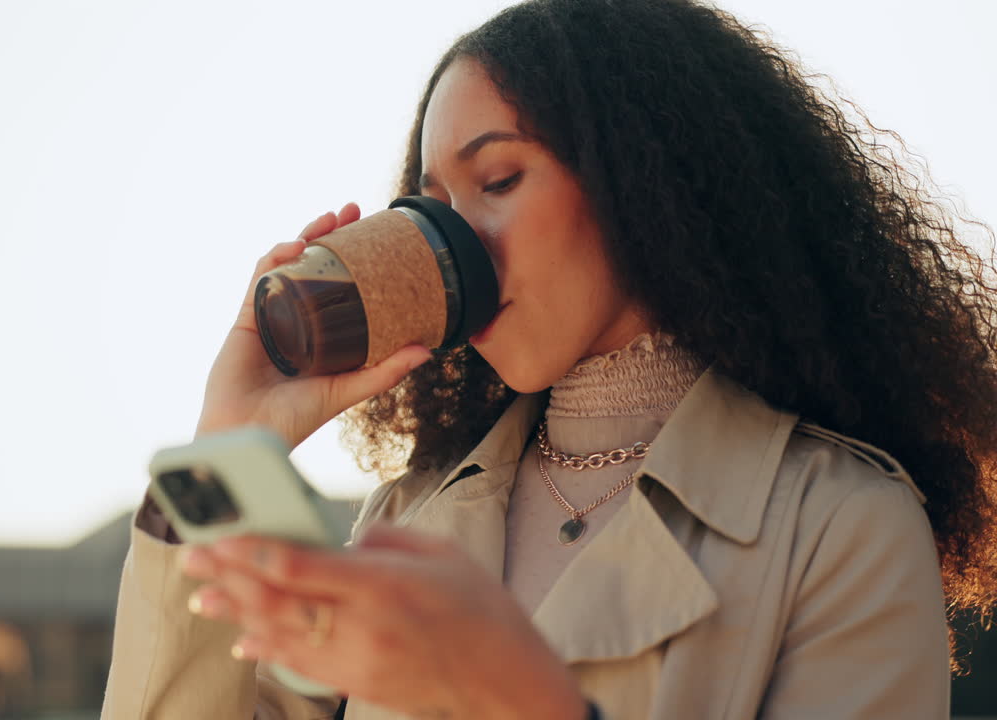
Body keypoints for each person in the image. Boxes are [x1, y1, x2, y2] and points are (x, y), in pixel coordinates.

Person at [101, 0, 997, 717]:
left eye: (497, 182)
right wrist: (225, 448)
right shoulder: (408, 519)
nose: (452, 245)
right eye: (433, 208)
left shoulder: (842, 529)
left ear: (649, 186)